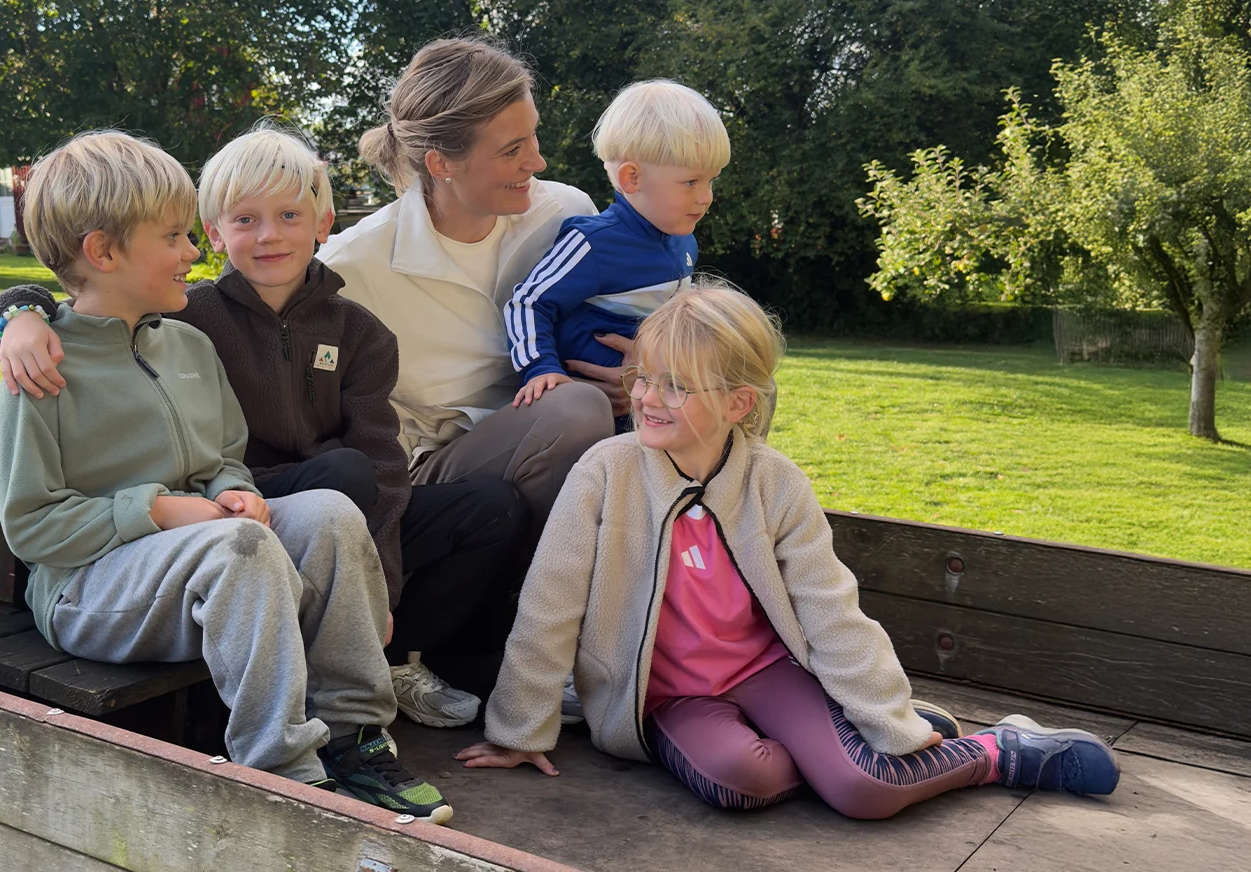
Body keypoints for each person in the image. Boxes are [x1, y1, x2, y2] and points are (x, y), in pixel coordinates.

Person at [456, 282, 1120, 817]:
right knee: (746, 783)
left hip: (769, 672)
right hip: (667, 698)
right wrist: (520, 730)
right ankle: (843, 740)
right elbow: (550, 605)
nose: (648, 399)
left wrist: (888, 721)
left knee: (865, 791)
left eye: (677, 386)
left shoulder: (774, 483)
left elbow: (831, 609)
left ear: (739, 402)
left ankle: (1000, 752)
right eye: (644, 378)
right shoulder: (606, 473)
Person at [0, 124, 528, 729]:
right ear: (217, 233)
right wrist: (18, 314)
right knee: (291, 515)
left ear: (323, 225)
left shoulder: (210, 340)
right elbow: (33, 517)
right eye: (184, 234)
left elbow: (336, 463)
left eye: (290, 214)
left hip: (233, 524)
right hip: (148, 561)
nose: (191, 251)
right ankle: (286, 754)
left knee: (375, 501)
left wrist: (230, 493)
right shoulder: (166, 322)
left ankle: (367, 715)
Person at [319, 37, 616, 549]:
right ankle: (550, 598)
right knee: (577, 410)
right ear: (441, 165)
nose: (538, 162)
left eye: (533, 137)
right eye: (512, 150)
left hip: (560, 432)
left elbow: (615, 322)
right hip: (440, 473)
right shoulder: (351, 266)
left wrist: (642, 374)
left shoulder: (567, 215)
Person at [506, 79, 729, 435]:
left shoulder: (684, 244)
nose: (706, 197)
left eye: (711, 182)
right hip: (593, 411)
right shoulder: (592, 243)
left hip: (653, 398)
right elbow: (528, 303)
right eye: (691, 182)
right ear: (631, 177)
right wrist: (541, 369)